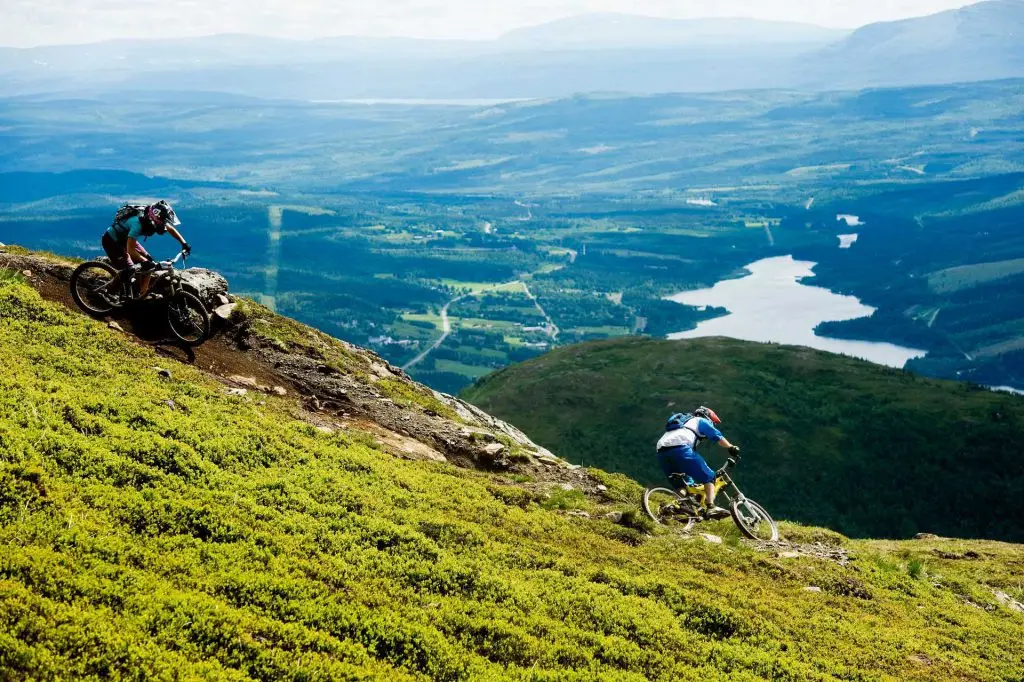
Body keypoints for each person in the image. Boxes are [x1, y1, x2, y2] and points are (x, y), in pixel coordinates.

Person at [656, 406, 740, 519]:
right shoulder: (699, 420)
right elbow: (717, 436)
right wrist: (731, 447)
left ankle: (675, 507)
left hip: (661, 452)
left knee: (685, 485)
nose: (712, 423)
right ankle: (711, 507)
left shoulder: (682, 426)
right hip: (680, 448)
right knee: (710, 476)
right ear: (707, 416)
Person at [102, 200, 191, 299]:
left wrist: (184, 243)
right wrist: (144, 261)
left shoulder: (153, 218)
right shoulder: (137, 224)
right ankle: (108, 291)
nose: (164, 224)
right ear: (155, 219)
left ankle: (142, 293)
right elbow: (130, 250)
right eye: (163, 221)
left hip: (126, 239)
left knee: (150, 263)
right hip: (112, 241)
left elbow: (171, 229)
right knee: (130, 269)